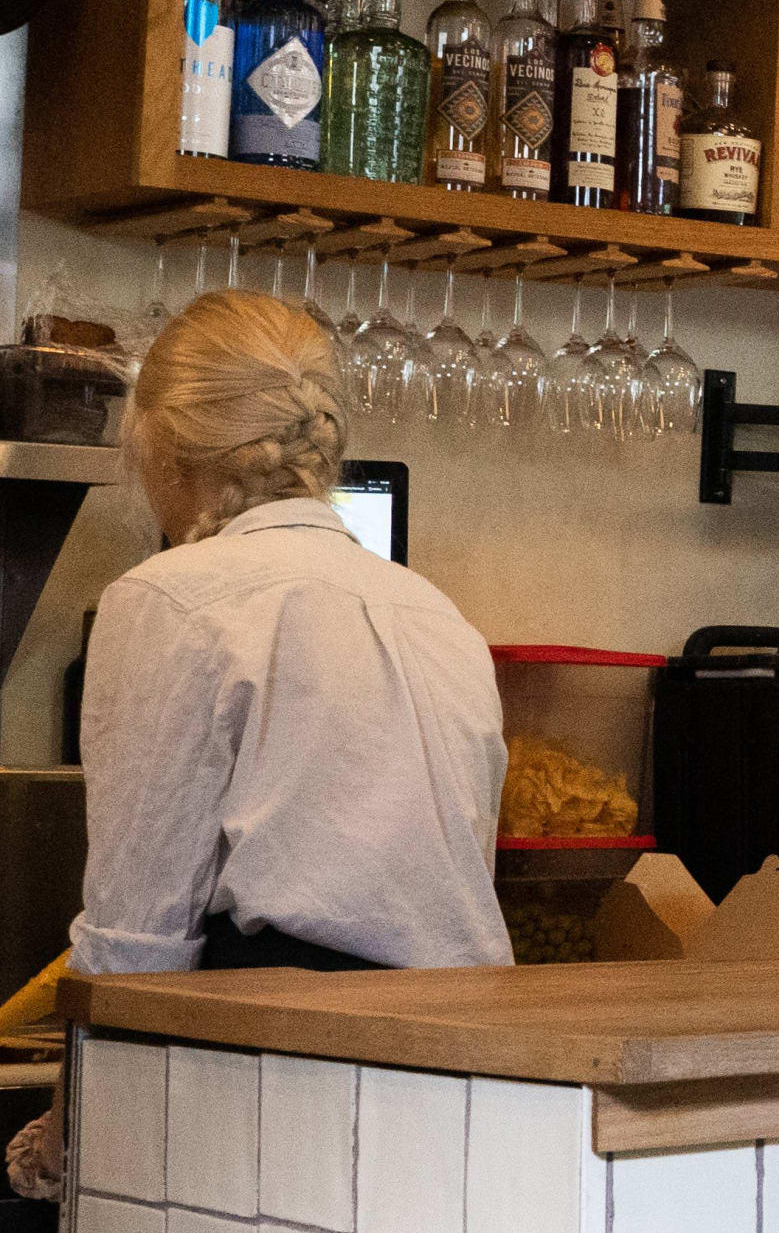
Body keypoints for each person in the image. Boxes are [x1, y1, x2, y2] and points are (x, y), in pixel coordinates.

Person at [68, 290, 509, 980]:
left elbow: (138, 934)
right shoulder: (438, 615)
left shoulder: (169, 599)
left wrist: (83, 1074)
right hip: (472, 1042)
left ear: (165, 449)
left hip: (285, 1048)